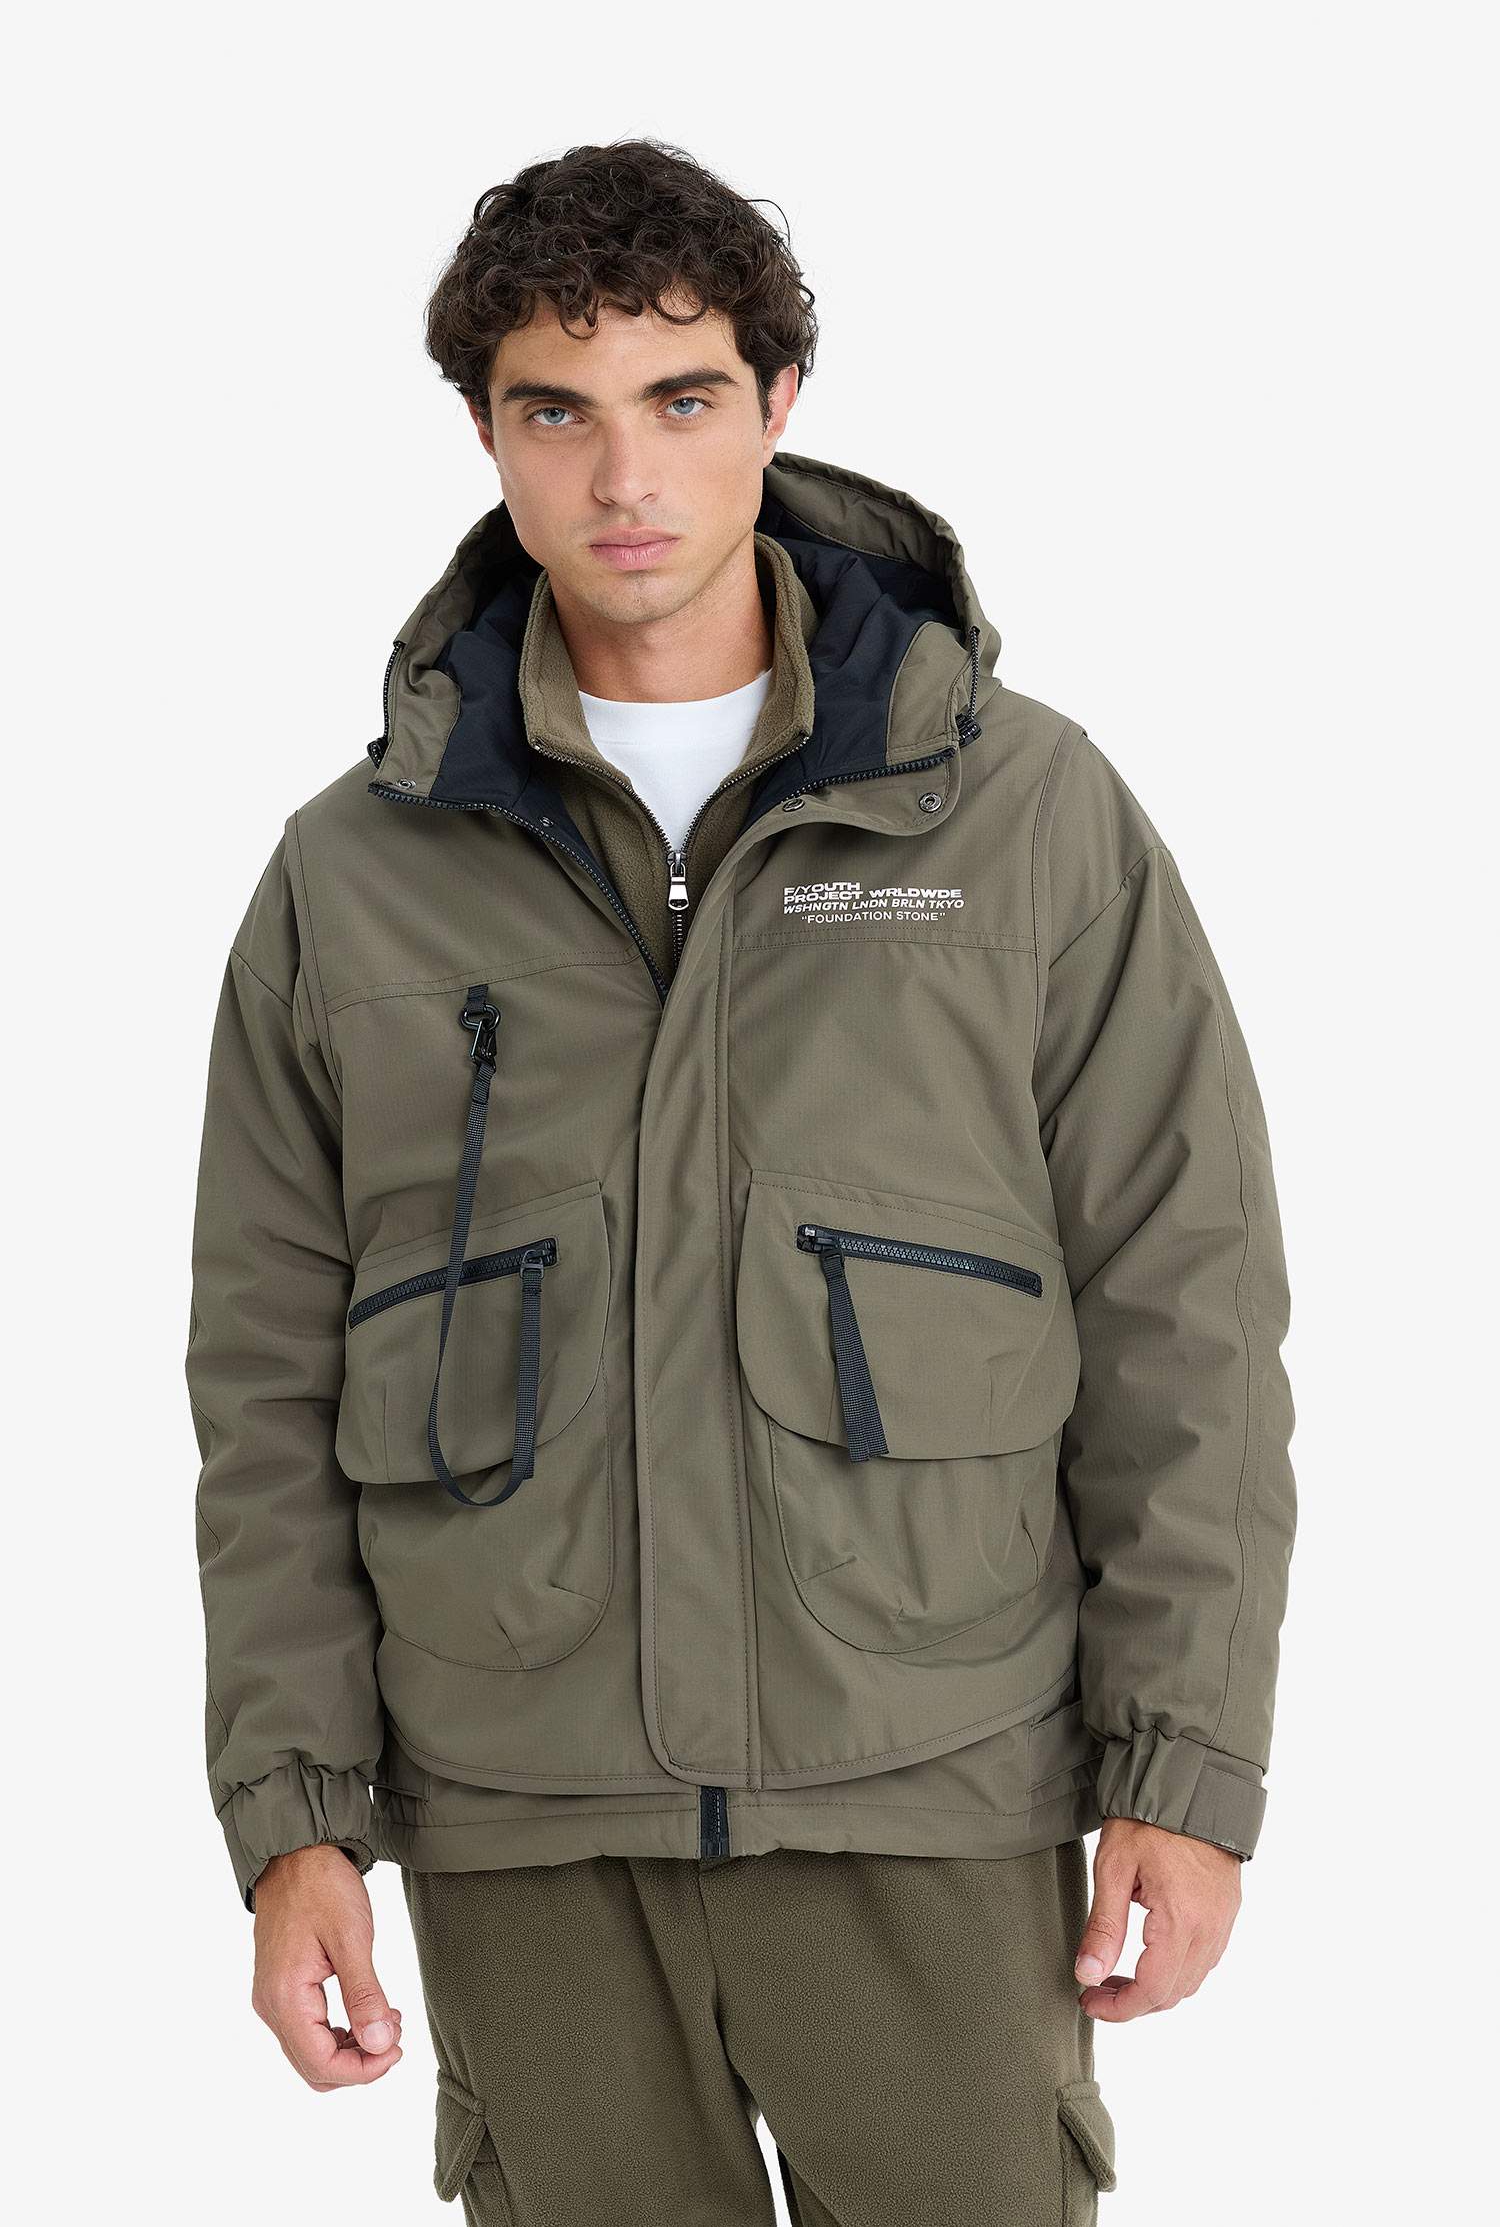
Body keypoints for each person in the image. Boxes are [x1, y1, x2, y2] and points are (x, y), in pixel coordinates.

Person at [186, 137, 1297, 2226]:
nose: (626, 475)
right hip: (522, 1811)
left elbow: (1188, 1311)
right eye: (557, 410)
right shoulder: (356, 871)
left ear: (779, 405)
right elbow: (260, 1384)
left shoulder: (1024, 813)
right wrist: (294, 1816)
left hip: (928, 1783)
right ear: (486, 433)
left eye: (682, 398)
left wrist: (1184, 1766)